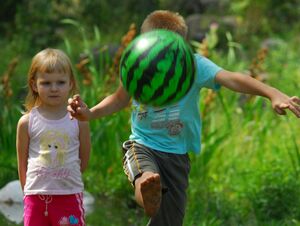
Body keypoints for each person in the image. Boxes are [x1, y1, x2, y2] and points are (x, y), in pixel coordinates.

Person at [67, 10, 300, 226]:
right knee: (143, 175)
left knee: (170, 221)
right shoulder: (137, 66)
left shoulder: (194, 65)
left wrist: (272, 92)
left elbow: (232, 78)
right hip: (142, 145)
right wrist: (90, 113)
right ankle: (147, 191)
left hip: (177, 157)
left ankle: (151, 191)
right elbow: (119, 98)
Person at [16, 48, 91, 226]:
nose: (54, 88)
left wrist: (65, 178)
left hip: (69, 195)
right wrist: (28, 193)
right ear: (34, 85)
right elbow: (22, 163)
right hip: (35, 197)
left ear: (70, 83)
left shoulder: (79, 120)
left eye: (60, 82)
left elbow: (84, 157)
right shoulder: (26, 122)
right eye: (46, 83)